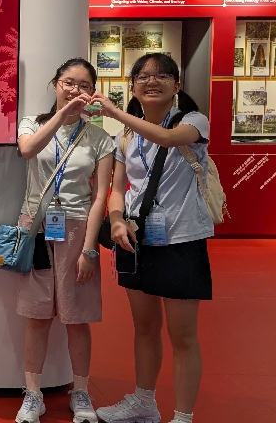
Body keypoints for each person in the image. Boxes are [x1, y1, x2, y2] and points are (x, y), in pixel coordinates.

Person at [91, 53, 213, 423]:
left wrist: (115, 113)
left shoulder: (192, 121)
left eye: (162, 75)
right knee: (144, 329)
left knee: (183, 335)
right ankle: (144, 403)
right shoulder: (125, 137)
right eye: (143, 76)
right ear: (133, 86)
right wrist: (116, 220)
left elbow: (167, 138)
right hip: (136, 239)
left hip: (181, 240)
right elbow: (116, 189)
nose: (152, 81)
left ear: (177, 85)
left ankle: (183, 417)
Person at [14, 58, 115, 423]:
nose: (75, 90)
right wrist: (62, 115)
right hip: (37, 227)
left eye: (84, 85)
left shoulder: (100, 138)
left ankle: (81, 392)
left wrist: (90, 249)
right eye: (69, 82)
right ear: (56, 84)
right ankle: (33, 394)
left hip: (77, 228)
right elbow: (28, 150)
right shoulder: (31, 123)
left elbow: (100, 197)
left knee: (77, 317)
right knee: (37, 316)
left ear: (93, 92)